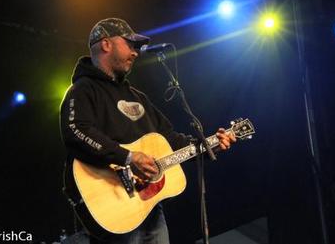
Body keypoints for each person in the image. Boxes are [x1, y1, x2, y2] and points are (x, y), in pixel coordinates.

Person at [59, 18, 236, 244]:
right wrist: (129, 157)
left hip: (148, 206)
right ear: (106, 44)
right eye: (130, 44)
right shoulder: (82, 89)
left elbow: (170, 140)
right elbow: (75, 132)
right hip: (113, 204)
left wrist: (210, 144)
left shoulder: (137, 97)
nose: (135, 52)